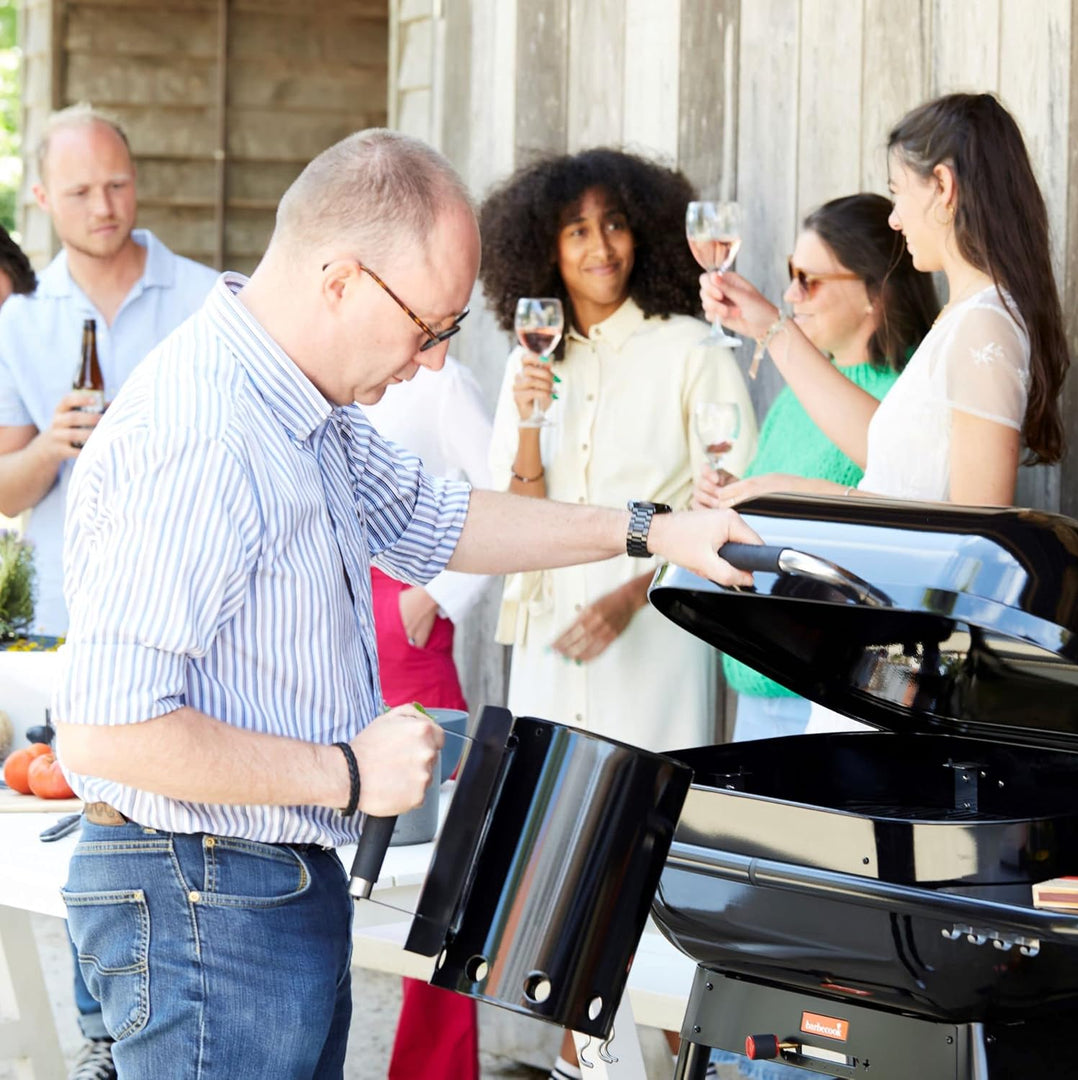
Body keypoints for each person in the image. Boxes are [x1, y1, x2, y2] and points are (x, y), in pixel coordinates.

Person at [51, 128, 760, 1080]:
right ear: (342, 281)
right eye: (429, 327)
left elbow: (442, 518)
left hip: (249, 883)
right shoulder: (206, 432)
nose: (432, 363)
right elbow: (106, 731)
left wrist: (652, 530)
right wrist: (347, 772)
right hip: (203, 888)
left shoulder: (303, 408)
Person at [480, 147, 755, 1080]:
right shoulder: (532, 360)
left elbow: (730, 506)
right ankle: (584, 1066)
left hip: (656, 641)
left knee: (649, 860)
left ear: (645, 231)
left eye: (615, 223)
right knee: (561, 866)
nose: (600, 246)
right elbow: (511, 512)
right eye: (575, 230)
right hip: (554, 646)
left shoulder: (692, 350)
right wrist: (527, 419)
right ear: (542, 250)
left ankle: (664, 1066)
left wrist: (634, 591)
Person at [0, 104, 217, 1080]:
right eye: (81, 190)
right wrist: (53, 443)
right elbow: (7, 491)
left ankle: (178, 1023)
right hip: (73, 620)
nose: (104, 205)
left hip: (193, 614)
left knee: (188, 819)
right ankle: (106, 1034)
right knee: (92, 830)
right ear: (42, 197)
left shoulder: (208, 298)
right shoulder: (20, 322)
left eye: (118, 183)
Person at [700, 92, 1067, 510]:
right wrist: (767, 325)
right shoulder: (965, 315)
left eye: (898, 193)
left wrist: (801, 492)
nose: (894, 219)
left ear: (943, 186)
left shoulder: (984, 324)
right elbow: (891, 458)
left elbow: (976, 528)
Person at [692, 193, 939, 742]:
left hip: (833, 694)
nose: (790, 294)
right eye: (791, 274)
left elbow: (900, 514)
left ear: (875, 290)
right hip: (758, 687)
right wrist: (730, 496)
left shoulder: (905, 397)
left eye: (809, 280)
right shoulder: (798, 393)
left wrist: (791, 493)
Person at [361, 357, 493, 1080]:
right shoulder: (329, 377)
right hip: (342, 634)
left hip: (411, 646)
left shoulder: (447, 385)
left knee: (435, 894)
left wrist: (438, 594)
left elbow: (504, 495)